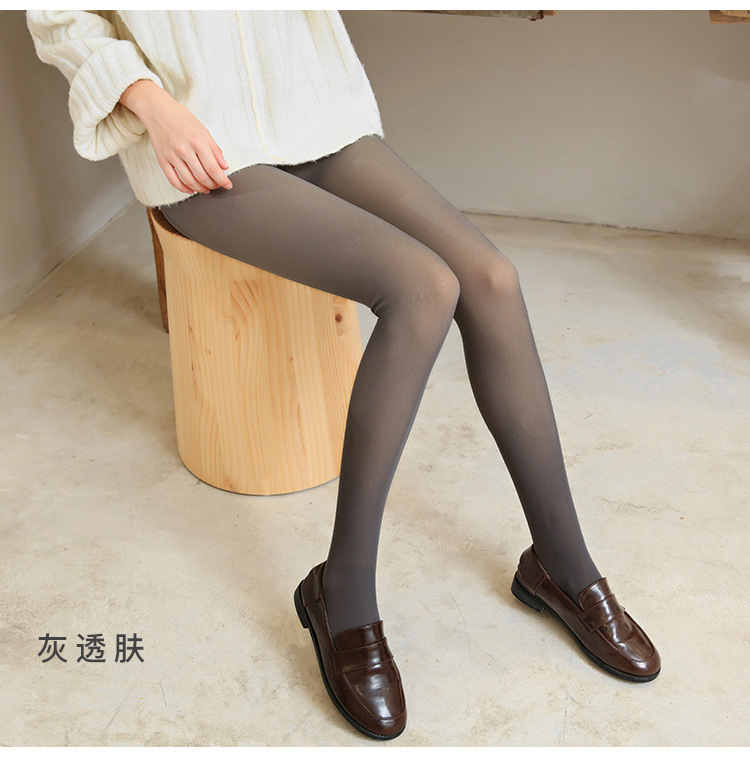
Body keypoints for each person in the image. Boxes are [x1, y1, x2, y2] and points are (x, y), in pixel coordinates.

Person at [26, 9, 661, 742]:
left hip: (314, 114)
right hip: (201, 142)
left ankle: (561, 563)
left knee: (491, 279)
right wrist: (153, 106)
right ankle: (344, 592)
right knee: (422, 287)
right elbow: (60, 19)